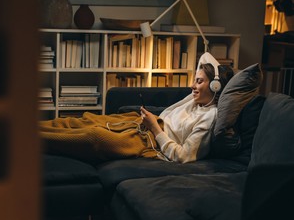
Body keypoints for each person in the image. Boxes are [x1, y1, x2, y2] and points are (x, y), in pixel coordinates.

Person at [40, 52, 234, 163]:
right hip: (141, 123)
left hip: (149, 140)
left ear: (214, 86)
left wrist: (155, 128)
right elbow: (205, 56)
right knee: (85, 119)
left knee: (94, 135)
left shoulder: (210, 116)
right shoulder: (194, 99)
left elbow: (183, 156)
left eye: (199, 81)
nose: (192, 86)